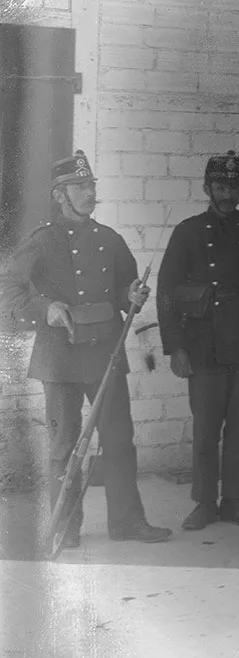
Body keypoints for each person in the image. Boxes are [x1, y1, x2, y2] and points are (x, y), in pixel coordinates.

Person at [0, 150, 171, 547]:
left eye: (90, 185)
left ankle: (127, 522)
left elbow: (126, 290)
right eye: (79, 187)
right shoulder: (41, 242)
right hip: (58, 359)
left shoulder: (110, 239)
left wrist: (133, 294)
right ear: (60, 195)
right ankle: (66, 525)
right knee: (63, 446)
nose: (88, 193)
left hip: (105, 356)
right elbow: (8, 288)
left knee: (118, 440)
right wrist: (46, 308)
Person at [158, 150, 239, 530]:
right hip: (205, 345)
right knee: (206, 429)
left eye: (233, 186)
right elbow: (166, 292)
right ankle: (203, 502)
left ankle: (233, 499)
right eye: (220, 186)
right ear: (206, 187)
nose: (227, 194)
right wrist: (175, 346)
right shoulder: (188, 231)